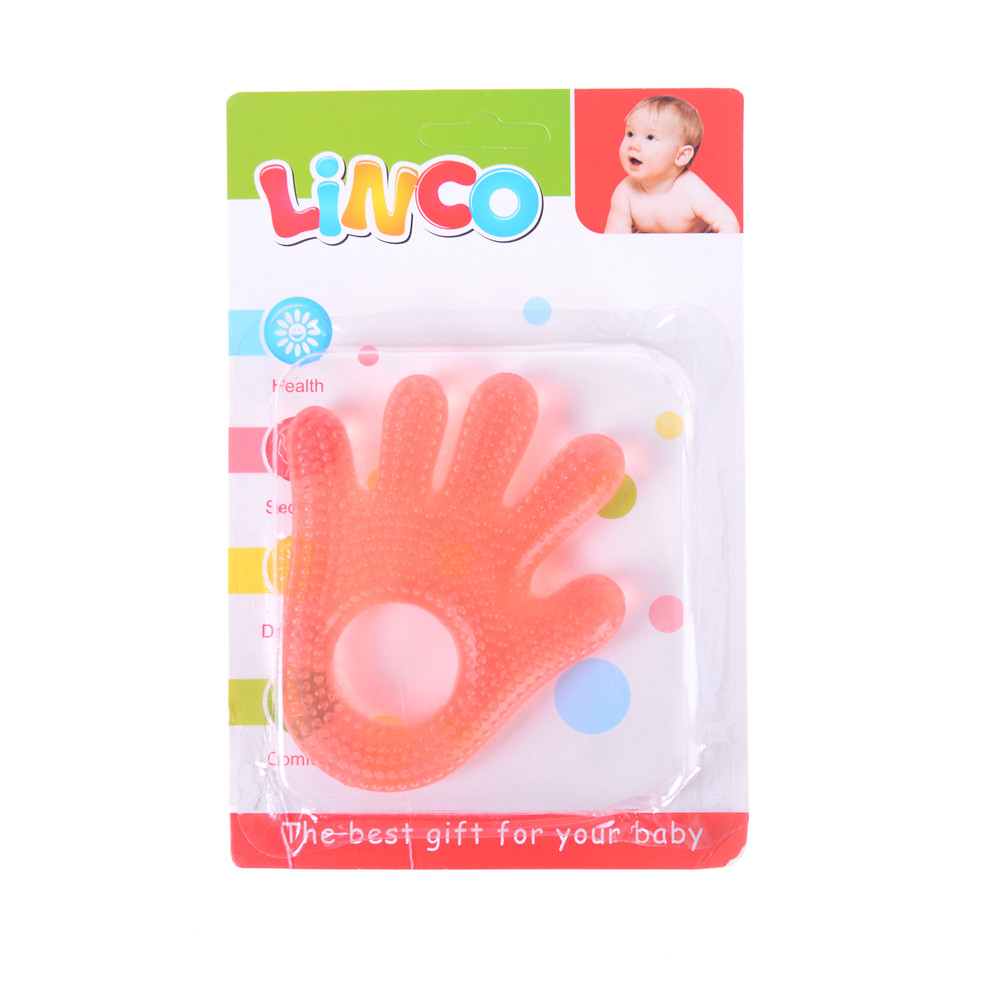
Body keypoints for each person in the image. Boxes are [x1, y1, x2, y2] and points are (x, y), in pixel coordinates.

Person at [604, 96, 739, 234]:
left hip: (698, 242)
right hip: (654, 245)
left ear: (681, 156)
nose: (633, 145)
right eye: (630, 134)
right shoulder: (625, 192)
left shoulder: (691, 189)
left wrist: (719, 246)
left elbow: (727, 223)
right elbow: (614, 239)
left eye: (650, 137)